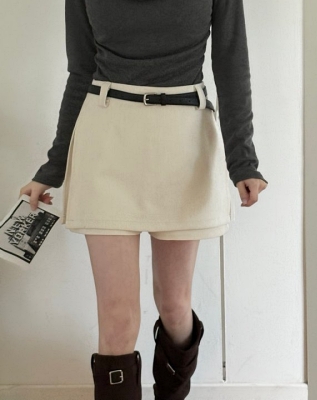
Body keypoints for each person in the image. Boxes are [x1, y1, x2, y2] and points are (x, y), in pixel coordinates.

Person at [19, 0, 268, 399]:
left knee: (174, 306)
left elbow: (231, 64)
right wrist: (53, 167)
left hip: (185, 143)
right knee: (116, 316)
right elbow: (81, 71)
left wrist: (243, 162)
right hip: (106, 140)